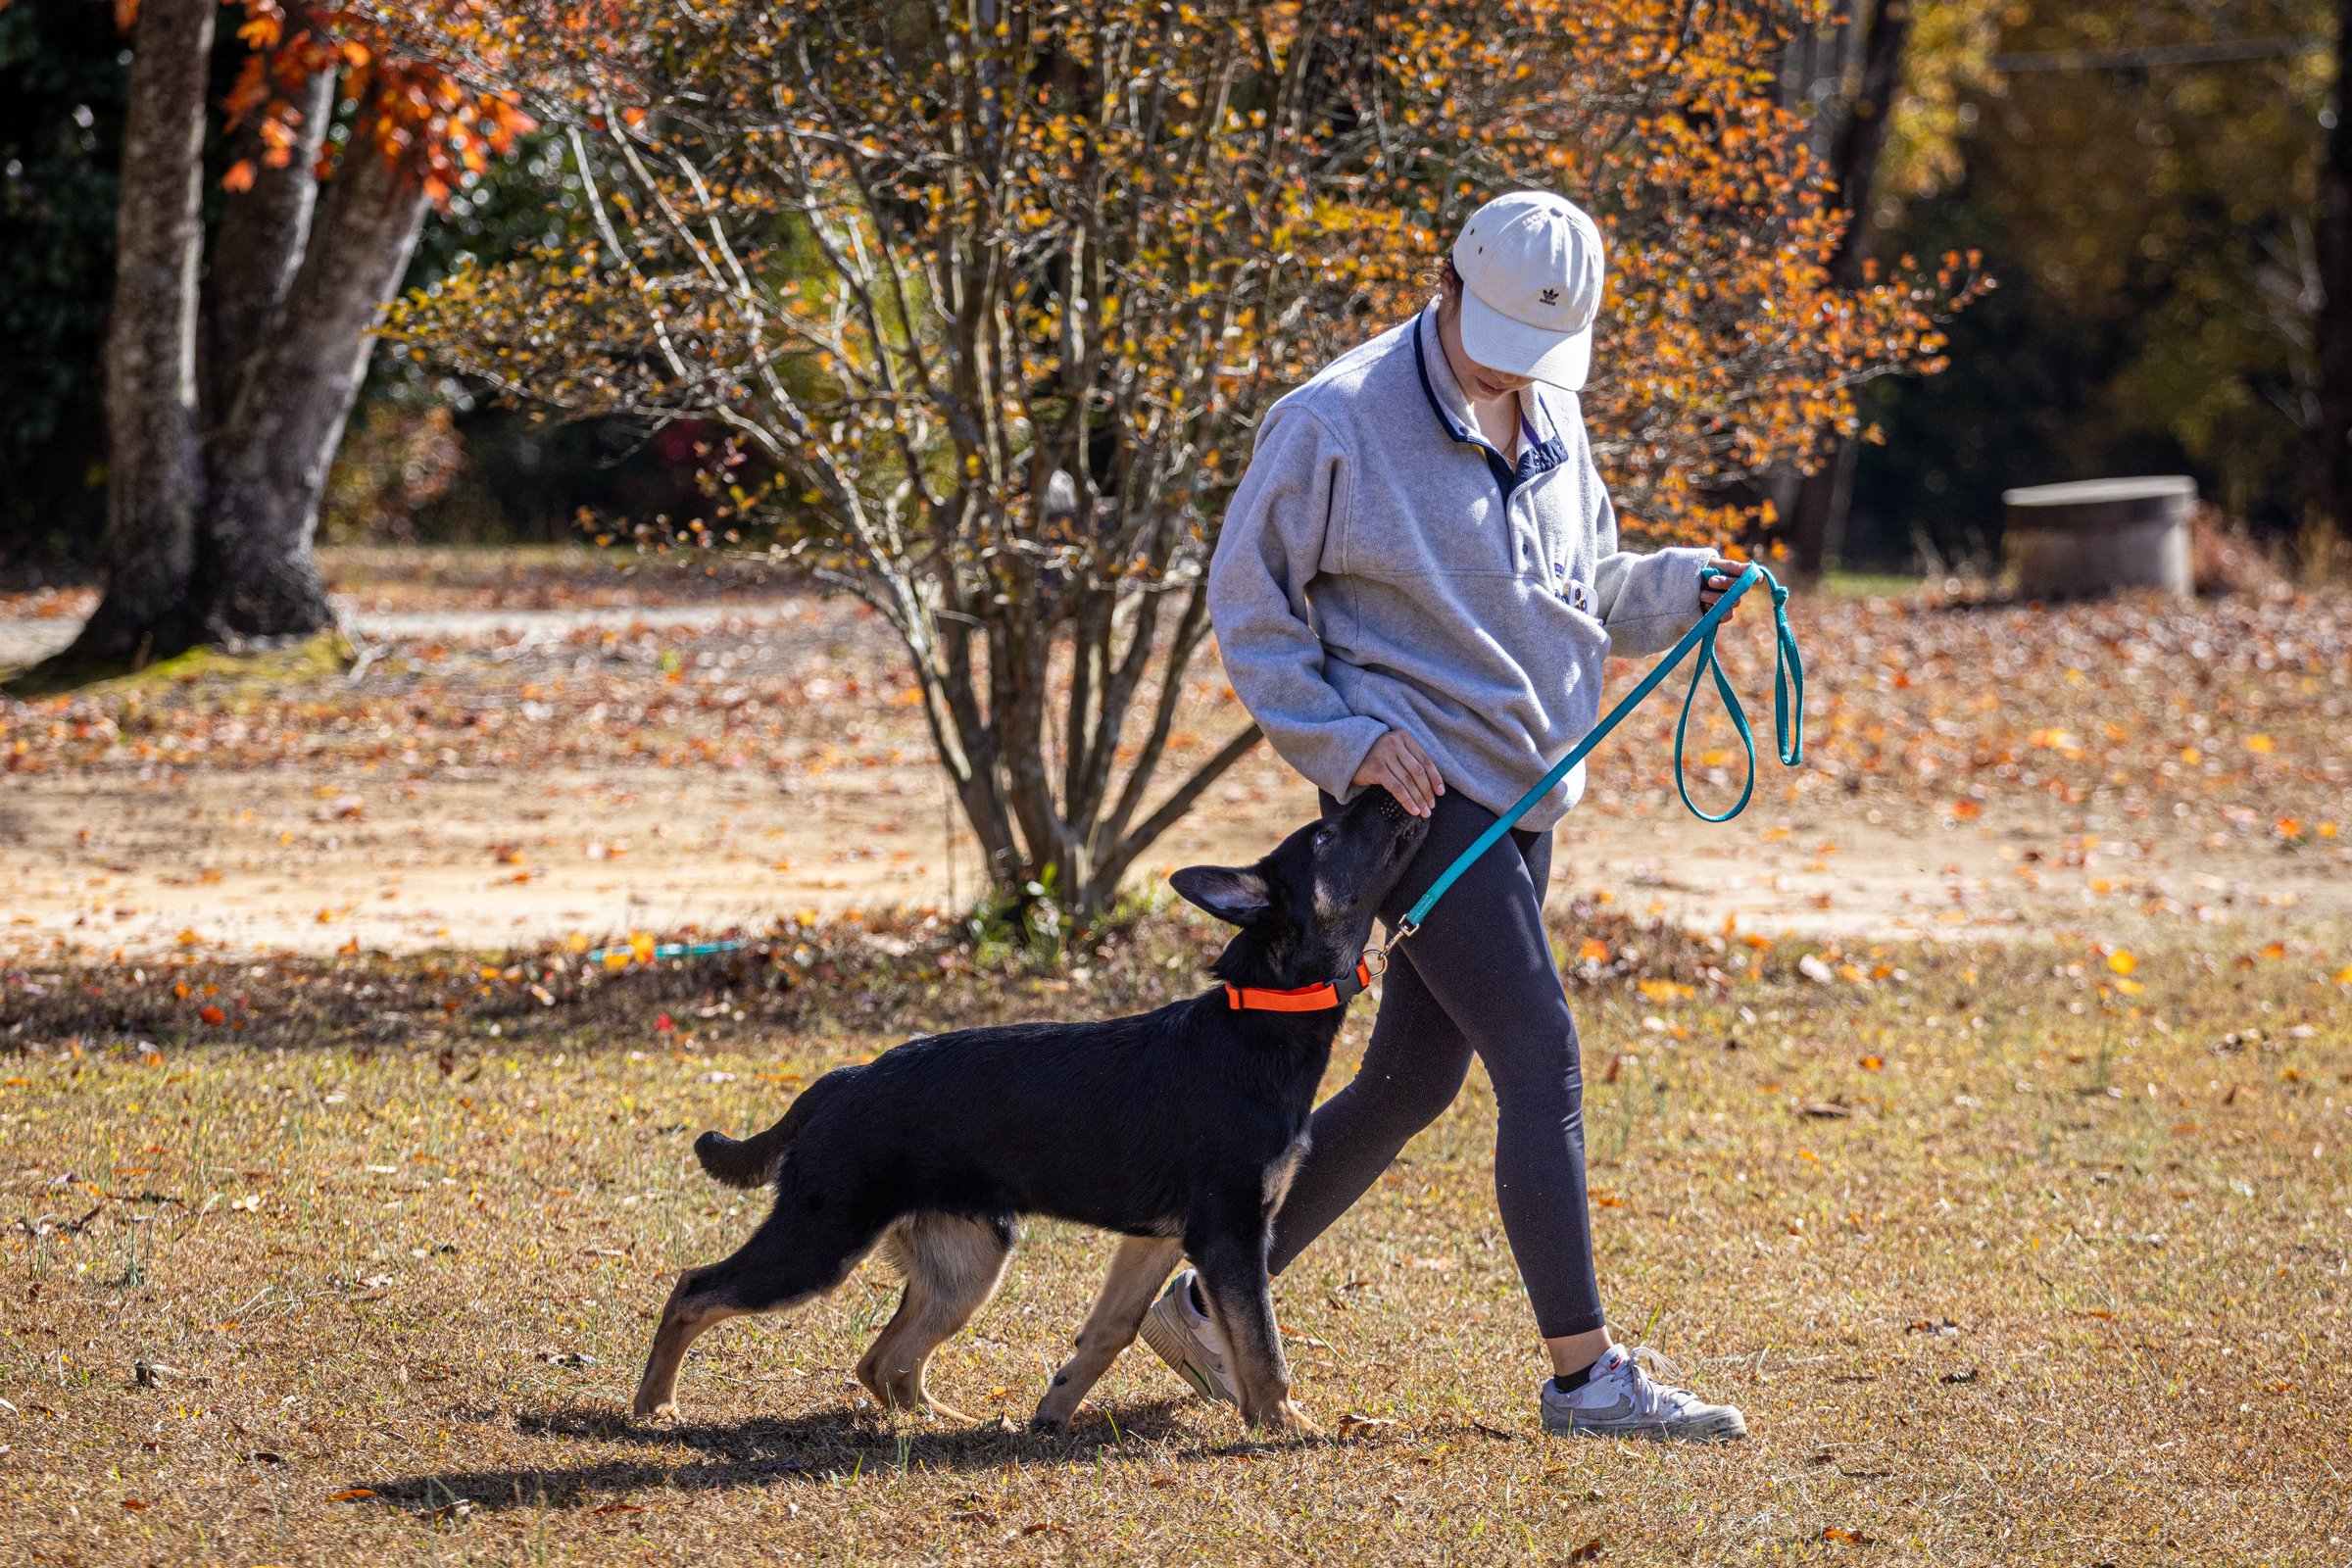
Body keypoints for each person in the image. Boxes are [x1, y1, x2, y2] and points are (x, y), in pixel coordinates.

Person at [1141, 190, 1750, 1441]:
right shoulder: (1333, 422)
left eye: (1541, 352)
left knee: (1413, 1079)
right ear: (1448, 282)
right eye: (1500, 341)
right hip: (1415, 803)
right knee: (1542, 1053)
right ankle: (1586, 1378)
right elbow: (1251, 609)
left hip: (1526, 789)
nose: (1516, 372)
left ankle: (1207, 1304)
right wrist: (1349, 741)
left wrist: (1682, 587)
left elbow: (1580, 589)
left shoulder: (1554, 408)